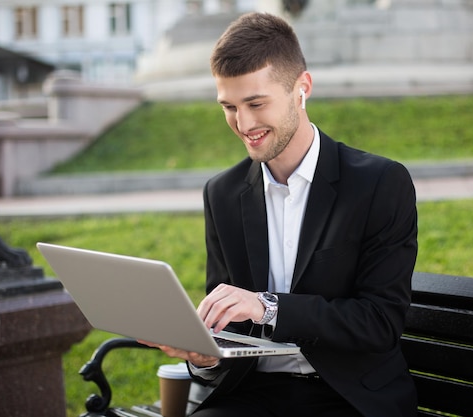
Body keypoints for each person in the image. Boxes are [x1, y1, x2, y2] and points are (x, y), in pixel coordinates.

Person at [146, 11, 418, 417]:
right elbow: (231, 336)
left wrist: (268, 307)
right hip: (253, 394)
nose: (243, 123)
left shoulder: (380, 183)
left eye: (256, 103)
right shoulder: (222, 194)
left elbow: (379, 322)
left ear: (301, 89)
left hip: (350, 398)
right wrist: (204, 356)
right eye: (229, 106)